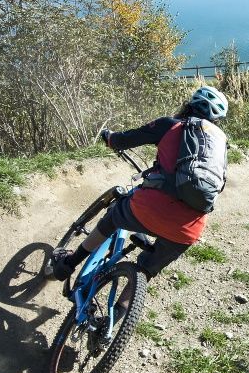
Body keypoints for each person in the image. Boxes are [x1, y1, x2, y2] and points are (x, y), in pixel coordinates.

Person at [48, 85, 229, 282]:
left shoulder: (170, 125)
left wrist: (109, 137)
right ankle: (131, 296)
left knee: (114, 216)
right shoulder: (220, 144)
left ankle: (68, 264)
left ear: (190, 104)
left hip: (149, 208)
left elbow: (122, 140)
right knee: (146, 269)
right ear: (216, 120)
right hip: (189, 229)